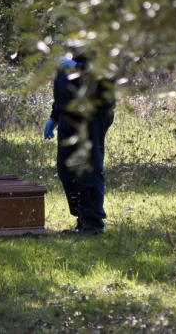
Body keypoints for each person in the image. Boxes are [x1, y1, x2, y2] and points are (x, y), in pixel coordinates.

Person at [43, 54, 116, 235]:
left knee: (88, 168)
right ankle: (82, 219)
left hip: (92, 114)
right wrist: (54, 116)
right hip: (68, 115)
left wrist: (79, 68)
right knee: (66, 168)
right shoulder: (69, 47)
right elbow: (64, 85)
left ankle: (92, 223)